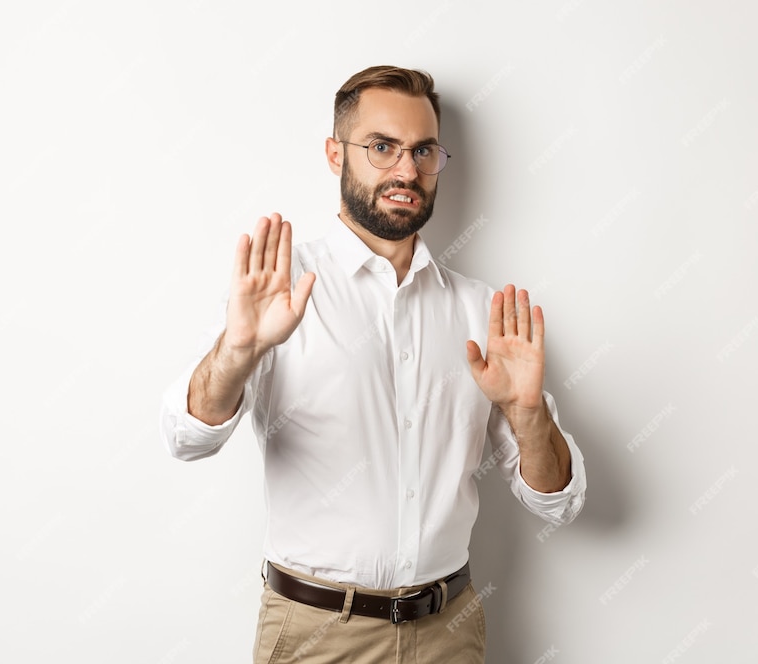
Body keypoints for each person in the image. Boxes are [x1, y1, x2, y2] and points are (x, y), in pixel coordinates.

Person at [160, 65, 587, 664]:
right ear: (336, 154)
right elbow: (186, 438)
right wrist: (238, 350)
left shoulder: (479, 311)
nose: (406, 170)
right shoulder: (278, 292)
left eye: (423, 151)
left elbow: (557, 502)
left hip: (450, 632)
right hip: (317, 635)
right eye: (381, 147)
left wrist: (527, 412)